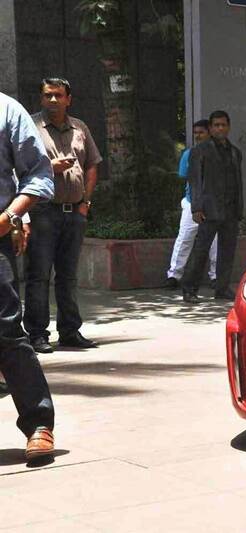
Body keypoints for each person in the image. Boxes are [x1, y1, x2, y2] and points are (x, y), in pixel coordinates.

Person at [25, 78, 102, 353]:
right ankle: (36, 334)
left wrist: (86, 202)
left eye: (58, 95)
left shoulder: (80, 127)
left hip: (75, 213)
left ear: (69, 98)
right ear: (41, 98)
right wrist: (49, 167)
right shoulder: (30, 126)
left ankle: (70, 331)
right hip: (43, 211)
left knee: (68, 276)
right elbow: (19, 167)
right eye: (48, 96)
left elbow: (92, 164)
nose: (53, 101)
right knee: (39, 275)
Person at [1, 91, 57, 460]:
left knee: (5, 328)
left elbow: (38, 173)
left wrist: (10, 217)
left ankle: (38, 423)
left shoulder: (6, 109)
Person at [182, 110, 242, 303]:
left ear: (228, 126)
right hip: (208, 209)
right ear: (211, 128)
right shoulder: (200, 151)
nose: (220, 128)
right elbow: (195, 181)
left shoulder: (235, 152)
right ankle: (190, 289)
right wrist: (196, 208)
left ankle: (222, 288)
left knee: (227, 251)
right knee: (201, 250)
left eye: (223, 125)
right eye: (216, 125)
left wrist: (240, 207)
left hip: (230, 209)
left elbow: (238, 182)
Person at [165, 120, 218, 289]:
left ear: (209, 132)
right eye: (195, 133)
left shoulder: (218, 154)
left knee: (215, 242)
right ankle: (174, 275)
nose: (197, 136)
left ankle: (215, 276)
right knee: (185, 238)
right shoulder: (189, 154)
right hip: (191, 203)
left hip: (214, 205)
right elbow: (185, 176)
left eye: (201, 132)